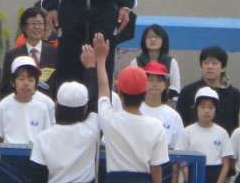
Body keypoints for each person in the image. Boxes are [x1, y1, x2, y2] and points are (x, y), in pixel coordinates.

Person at [95, 33, 168, 183]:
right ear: (145, 92)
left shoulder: (109, 118)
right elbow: (156, 168)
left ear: (120, 93)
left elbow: (103, 88)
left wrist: (101, 60)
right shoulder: (156, 126)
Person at [0, 56, 51, 183]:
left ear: (36, 83)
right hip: (9, 160)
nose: (26, 83)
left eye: (31, 79)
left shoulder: (42, 108)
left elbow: (46, 138)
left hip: (34, 159)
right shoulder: (3, 106)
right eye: (21, 79)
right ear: (13, 82)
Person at [30, 80, 99, 183]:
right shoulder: (92, 128)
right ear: (85, 109)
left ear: (56, 105)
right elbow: (99, 104)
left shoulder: (43, 138)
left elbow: (38, 176)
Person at [176, 46, 240, 135]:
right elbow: (180, 122)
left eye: (214, 63)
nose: (210, 67)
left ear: (223, 67)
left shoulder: (234, 95)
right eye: (206, 63)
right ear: (201, 66)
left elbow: (239, 125)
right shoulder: (188, 92)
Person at [176, 87, 233, 183]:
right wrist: (189, 179)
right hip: (193, 172)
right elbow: (182, 161)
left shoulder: (222, 133)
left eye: (211, 107)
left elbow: (226, 163)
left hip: (215, 174)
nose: (206, 111)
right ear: (196, 109)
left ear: (216, 110)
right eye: (202, 107)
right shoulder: (187, 132)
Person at [0, 7, 57, 98]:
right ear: (24, 27)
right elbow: (6, 87)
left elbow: (58, 83)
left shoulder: (55, 53)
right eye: (33, 23)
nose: (37, 27)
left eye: (40, 24)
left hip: (48, 103)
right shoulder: (12, 55)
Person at [131, 24, 181, 99]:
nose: (153, 39)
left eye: (157, 37)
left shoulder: (171, 62)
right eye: (149, 37)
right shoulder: (136, 62)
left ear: (163, 40)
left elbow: (175, 88)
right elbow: (133, 86)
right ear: (144, 40)